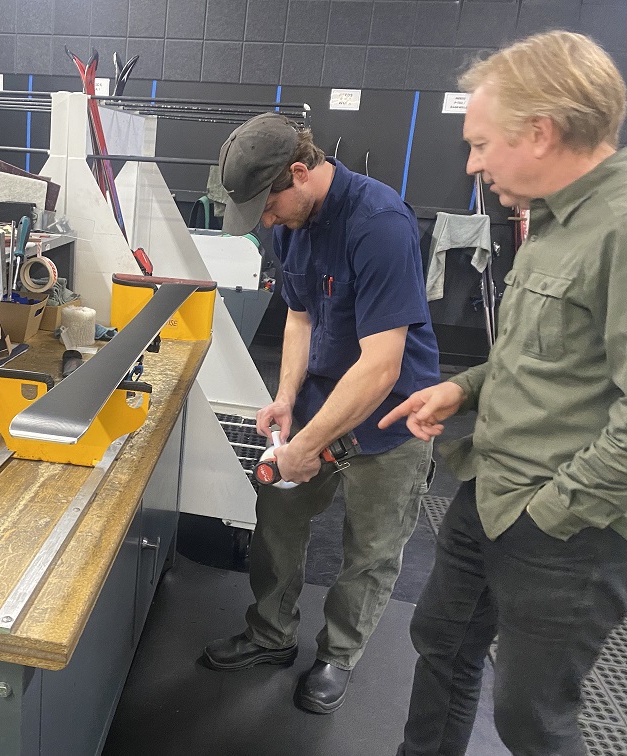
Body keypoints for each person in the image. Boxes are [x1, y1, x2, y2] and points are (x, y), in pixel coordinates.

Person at [382, 30, 627, 756]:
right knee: (442, 643)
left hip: (563, 526)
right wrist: (460, 391)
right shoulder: (550, 222)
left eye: (481, 145)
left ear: (540, 132)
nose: (471, 164)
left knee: (532, 719)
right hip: (488, 488)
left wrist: (549, 513)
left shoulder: (617, 231)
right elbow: (541, 359)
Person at [202, 112, 439, 714]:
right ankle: (271, 634)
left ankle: (338, 655)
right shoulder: (291, 224)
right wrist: (286, 398)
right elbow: (301, 317)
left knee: (372, 548)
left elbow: (381, 366)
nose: (266, 221)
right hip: (318, 398)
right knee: (277, 514)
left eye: (269, 206)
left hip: (392, 415)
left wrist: (307, 447)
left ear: (300, 172)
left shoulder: (379, 223)